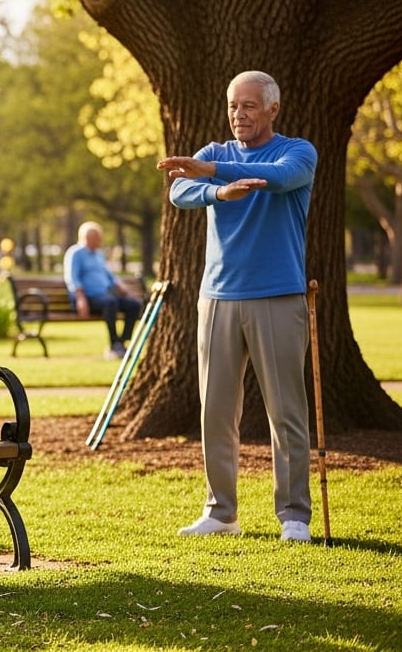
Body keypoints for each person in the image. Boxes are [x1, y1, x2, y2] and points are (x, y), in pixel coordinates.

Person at [157, 70, 318, 543]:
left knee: (285, 410)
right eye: (233, 105)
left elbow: (281, 178)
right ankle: (221, 512)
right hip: (218, 297)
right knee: (215, 411)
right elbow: (178, 190)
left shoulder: (296, 151)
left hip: (277, 296)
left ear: (272, 109)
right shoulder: (216, 154)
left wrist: (209, 172)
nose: (238, 114)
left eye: (249, 106)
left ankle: (293, 515)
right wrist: (214, 190)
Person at [63, 221, 143, 359]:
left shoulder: (99, 255)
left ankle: (121, 342)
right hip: (88, 298)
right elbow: (72, 278)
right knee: (110, 303)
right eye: (98, 237)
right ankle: (114, 344)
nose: (100, 240)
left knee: (134, 305)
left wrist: (121, 286)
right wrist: (81, 299)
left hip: (105, 296)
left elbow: (109, 275)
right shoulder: (75, 253)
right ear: (88, 238)